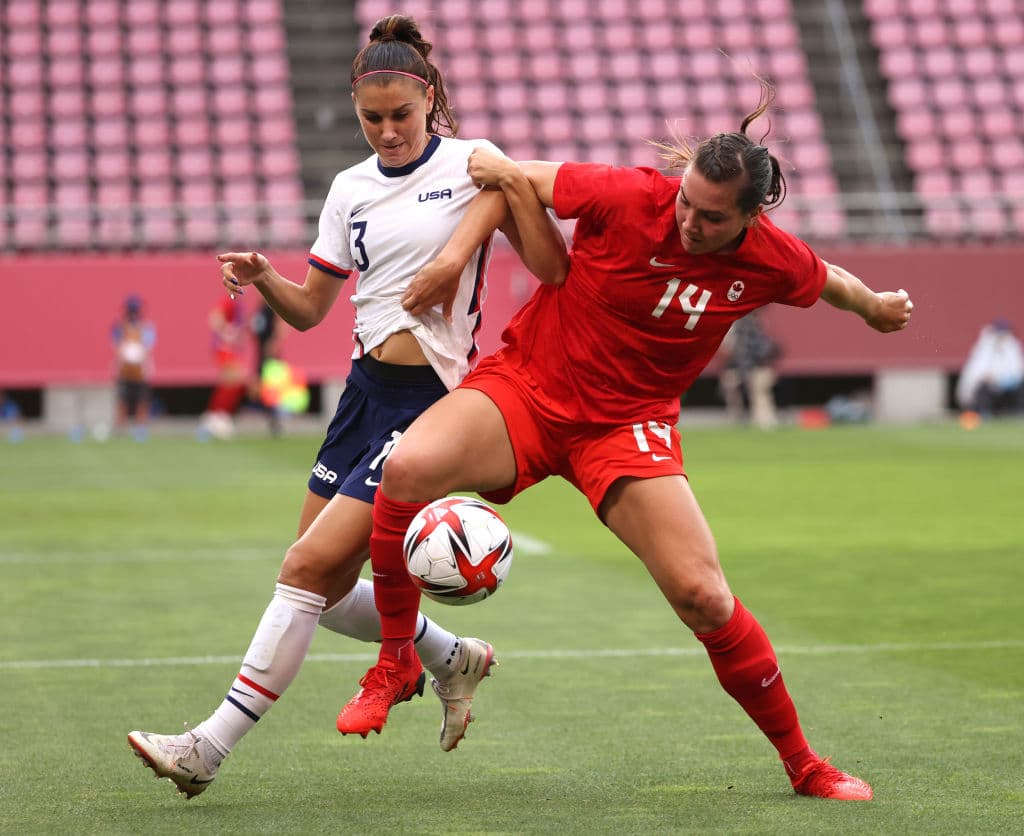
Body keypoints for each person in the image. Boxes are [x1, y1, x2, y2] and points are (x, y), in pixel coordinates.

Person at [338, 81, 913, 801]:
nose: (688, 223)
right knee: (410, 467)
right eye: (684, 203)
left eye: (709, 218)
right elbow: (506, 173)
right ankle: (397, 660)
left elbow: (827, 279)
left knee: (703, 596)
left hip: (628, 426)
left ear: (750, 217)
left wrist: (875, 307)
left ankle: (804, 763)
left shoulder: (770, 259)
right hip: (530, 388)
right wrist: (457, 251)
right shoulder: (626, 194)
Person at [127, 14, 568, 797]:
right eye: (373, 118)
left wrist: (501, 191)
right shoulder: (348, 188)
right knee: (322, 593)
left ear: (429, 99)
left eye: (402, 114)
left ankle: (207, 748)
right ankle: (451, 655)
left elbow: (550, 266)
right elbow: (309, 311)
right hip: (361, 395)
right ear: (357, 111)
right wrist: (264, 275)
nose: (389, 130)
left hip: (431, 400)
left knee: (302, 568)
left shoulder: (474, 165)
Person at [718, 310, 781, 429]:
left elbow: (766, 350)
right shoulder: (736, 327)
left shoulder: (759, 329)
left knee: (760, 391)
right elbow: (728, 349)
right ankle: (736, 420)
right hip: (740, 368)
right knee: (730, 385)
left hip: (758, 368)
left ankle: (765, 422)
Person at [197, 295, 249, 440]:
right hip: (223, 347)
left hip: (230, 348)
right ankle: (216, 416)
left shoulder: (240, 302)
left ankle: (217, 416)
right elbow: (215, 317)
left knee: (233, 380)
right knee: (235, 376)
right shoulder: (229, 299)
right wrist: (227, 332)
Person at [955, 318, 1024, 419]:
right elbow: (974, 373)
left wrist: (1005, 381)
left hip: (1008, 390)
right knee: (984, 388)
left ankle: (1017, 413)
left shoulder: (1012, 347)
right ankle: (985, 413)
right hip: (988, 390)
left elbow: (1017, 370)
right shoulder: (983, 348)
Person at [111, 295, 156, 441]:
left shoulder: (146, 327)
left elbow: (148, 345)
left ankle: (141, 428)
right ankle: (120, 428)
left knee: (142, 399)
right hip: (124, 369)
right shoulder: (119, 327)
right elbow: (117, 345)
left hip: (140, 369)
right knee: (122, 399)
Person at [249, 301, 285, 436]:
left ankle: (275, 418)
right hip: (261, 352)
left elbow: (280, 324)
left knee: (270, 386)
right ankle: (269, 416)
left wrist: (274, 343)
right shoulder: (261, 307)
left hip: (269, 353)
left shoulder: (271, 305)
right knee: (260, 385)